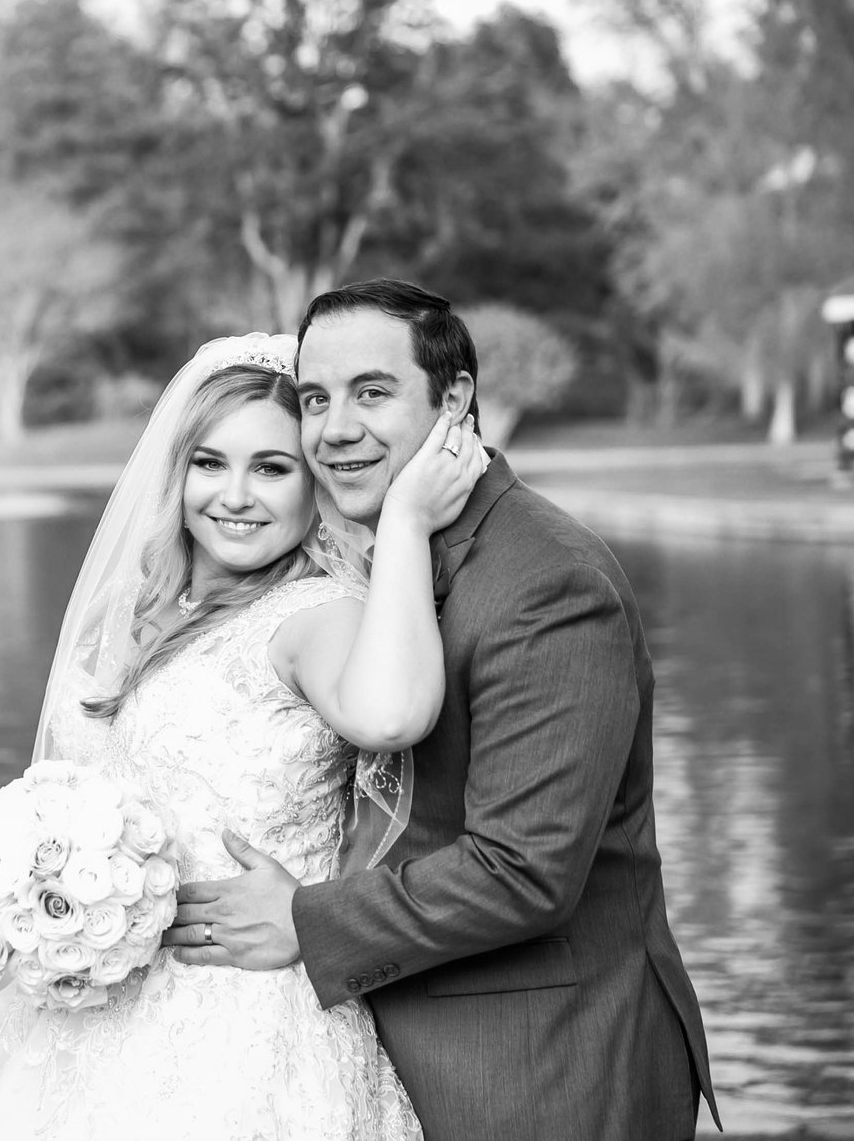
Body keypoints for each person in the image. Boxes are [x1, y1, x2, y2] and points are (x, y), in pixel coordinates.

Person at [163, 280, 720, 1139]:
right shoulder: (389, 551)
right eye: (316, 399)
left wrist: (306, 922)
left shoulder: (546, 582)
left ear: (453, 398)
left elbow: (523, 871)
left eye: (371, 392)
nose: (335, 429)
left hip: (544, 1062)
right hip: (387, 1047)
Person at [0, 331, 485, 1140]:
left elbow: (390, 718)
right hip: (101, 1009)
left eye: (272, 469)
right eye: (211, 463)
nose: (235, 496)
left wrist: (406, 522)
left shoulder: (317, 616)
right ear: (179, 473)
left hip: (245, 1017)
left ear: (316, 485)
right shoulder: (139, 611)